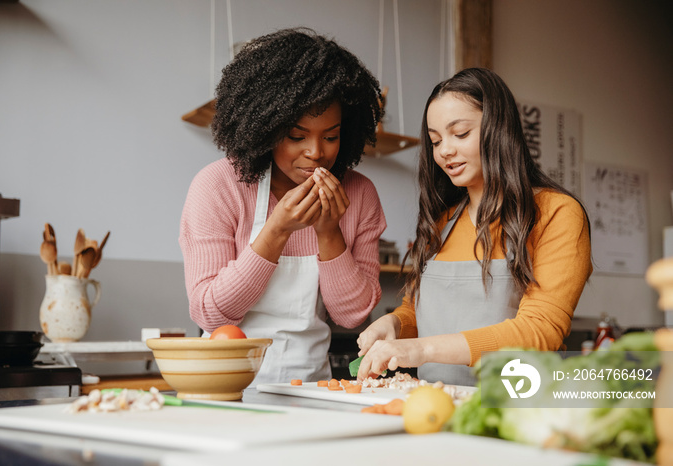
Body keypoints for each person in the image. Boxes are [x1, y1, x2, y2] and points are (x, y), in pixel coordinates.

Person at [356, 68, 592, 386]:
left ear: (499, 129)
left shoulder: (556, 213)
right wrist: (395, 325)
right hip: (435, 404)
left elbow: (541, 331)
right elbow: (420, 314)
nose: (444, 151)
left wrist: (422, 348)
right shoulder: (442, 223)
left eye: (461, 134)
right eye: (435, 140)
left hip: (513, 407)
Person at [179, 28, 386, 385]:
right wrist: (276, 229)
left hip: (311, 388)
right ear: (266, 127)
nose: (316, 152)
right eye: (296, 136)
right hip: (225, 387)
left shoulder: (359, 194)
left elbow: (352, 316)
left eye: (331, 136)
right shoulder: (218, 186)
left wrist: (329, 231)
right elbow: (211, 313)